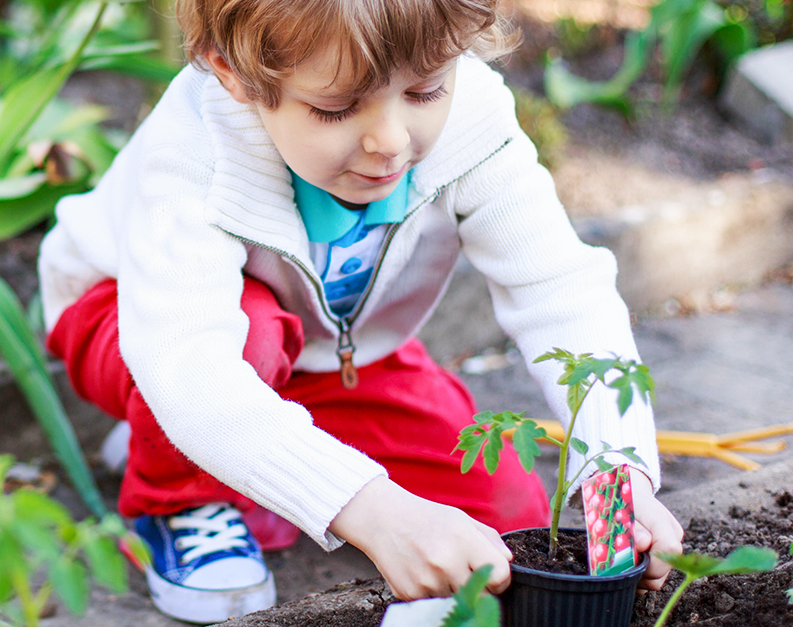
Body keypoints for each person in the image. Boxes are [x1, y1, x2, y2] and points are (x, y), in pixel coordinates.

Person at [39, 0, 684, 622]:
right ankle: (177, 499)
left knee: (505, 516)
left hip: (339, 352)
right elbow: (189, 371)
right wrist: (376, 513)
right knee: (252, 339)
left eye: (426, 91)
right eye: (337, 107)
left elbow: (557, 289)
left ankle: (251, 457)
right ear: (233, 73)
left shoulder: (476, 122)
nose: (391, 140)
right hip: (137, 330)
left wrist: (614, 469)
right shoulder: (195, 153)